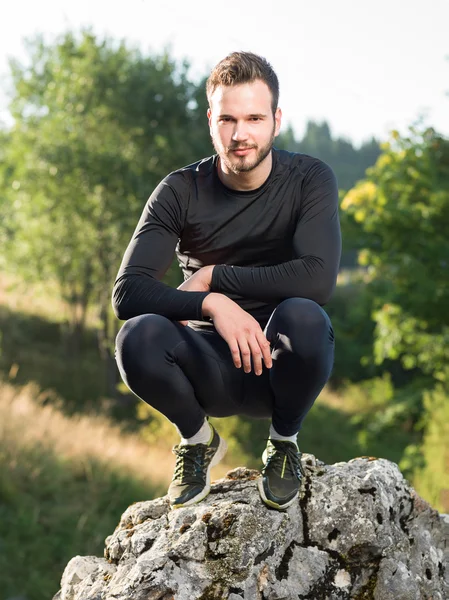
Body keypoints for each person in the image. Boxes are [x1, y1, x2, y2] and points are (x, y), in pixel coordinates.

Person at [112, 51, 341, 511]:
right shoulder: (180, 190)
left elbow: (318, 278)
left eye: (255, 118)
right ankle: (197, 441)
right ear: (210, 121)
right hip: (205, 367)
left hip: (281, 363)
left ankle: (283, 443)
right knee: (135, 337)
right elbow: (128, 291)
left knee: (308, 316)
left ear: (276, 120)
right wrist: (212, 304)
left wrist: (215, 277)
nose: (241, 134)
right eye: (228, 119)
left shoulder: (309, 179)